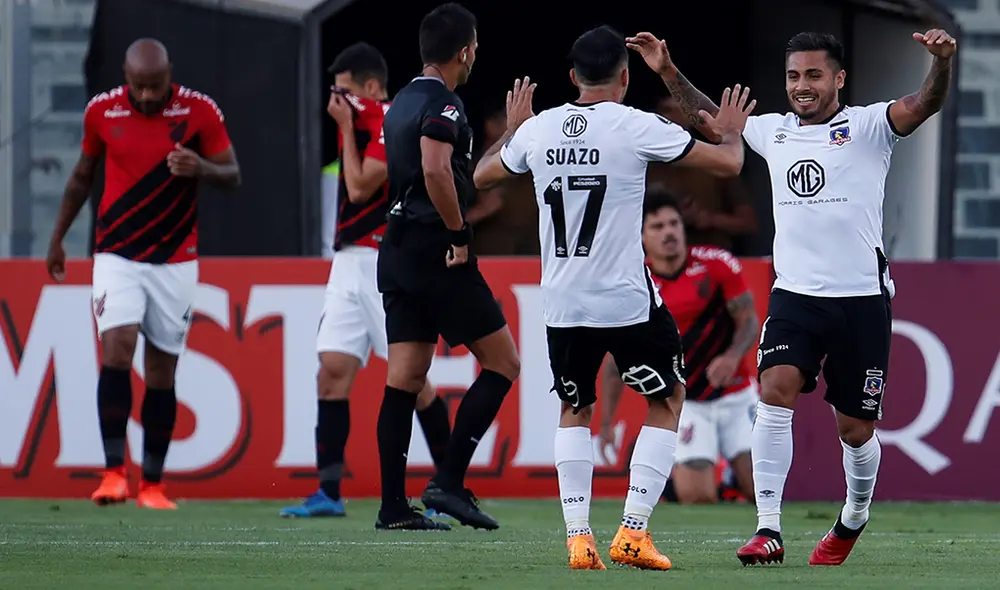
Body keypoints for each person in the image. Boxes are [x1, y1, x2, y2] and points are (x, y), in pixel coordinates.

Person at [639, 29, 956, 566]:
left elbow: (926, 101)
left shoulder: (870, 126)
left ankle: (855, 513)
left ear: (838, 78)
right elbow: (711, 121)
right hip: (795, 297)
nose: (802, 86)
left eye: (813, 75)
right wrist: (668, 70)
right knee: (774, 390)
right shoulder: (773, 132)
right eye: (793, 76)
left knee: (855, 430)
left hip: (861, 300)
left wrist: (942, 64)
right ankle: (769, 528)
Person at [473, 25, 754, 570]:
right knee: (668, 399)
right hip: (625, 300)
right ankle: (632, 531)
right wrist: (733, 133)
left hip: (562, 302)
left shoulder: (539, 130)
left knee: (573, 408)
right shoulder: (635, 125)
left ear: (572, 77)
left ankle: (579, 538)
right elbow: (729, 164)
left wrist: (511, 131)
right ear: (625, 78)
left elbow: (483, 176)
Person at [45, 38, 240, 509]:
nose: (148, 96)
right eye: (139, 87)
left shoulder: (200, 111)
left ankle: (152, 484)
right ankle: (113, 473)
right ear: (125, 78)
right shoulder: (101, 112)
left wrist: (200, 167)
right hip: (117, 254)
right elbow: (82, 174)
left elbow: (232, 174)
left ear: (169, 74)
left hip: (175, 260)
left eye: (156, 86)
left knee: (161, 370)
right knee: (116, 349)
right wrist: (57, 238)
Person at [279, 42, 452, 523]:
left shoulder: (391, 120)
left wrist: (342, 129)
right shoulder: (361, 123)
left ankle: (451, 484)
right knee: (331, 372)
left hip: (385, 263)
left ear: (372, 89)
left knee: (413, 381)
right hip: (347, 263)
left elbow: (359, 186)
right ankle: (328, 492)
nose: (337, 102)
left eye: (346, 92)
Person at [375, 3, 520, 531]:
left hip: (396, 250)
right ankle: (449, 481)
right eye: (475, 47)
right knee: (504, 363)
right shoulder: (447, 104)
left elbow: (460, 172)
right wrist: (459, 233)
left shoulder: (399, 104)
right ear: (465, 51)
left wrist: (511, 132)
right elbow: (438, 171)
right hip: (437, 250)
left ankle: (393, 507)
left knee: (405, 378)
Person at [598, 190, 759, 505]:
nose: (668, 232)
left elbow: (749, 321)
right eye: (657, 227)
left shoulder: (716, 264)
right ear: (641, 237)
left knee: (762, 490)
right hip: (688, 400)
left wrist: (731, 356)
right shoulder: (633, 282)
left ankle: (733, 477)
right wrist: (605, 425)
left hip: (736, 393)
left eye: (673, 223)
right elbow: (615, 362)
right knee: (697, 498)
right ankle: (714, 484)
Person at [648, 93, 758, 251]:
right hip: (657, 263)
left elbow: (749, 222)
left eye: (681, 111)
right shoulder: (645, 166)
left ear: (692, 117)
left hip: (712, 260)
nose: (673, 118)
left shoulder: (718, 163)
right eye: (667, 111)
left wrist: (707, 219)